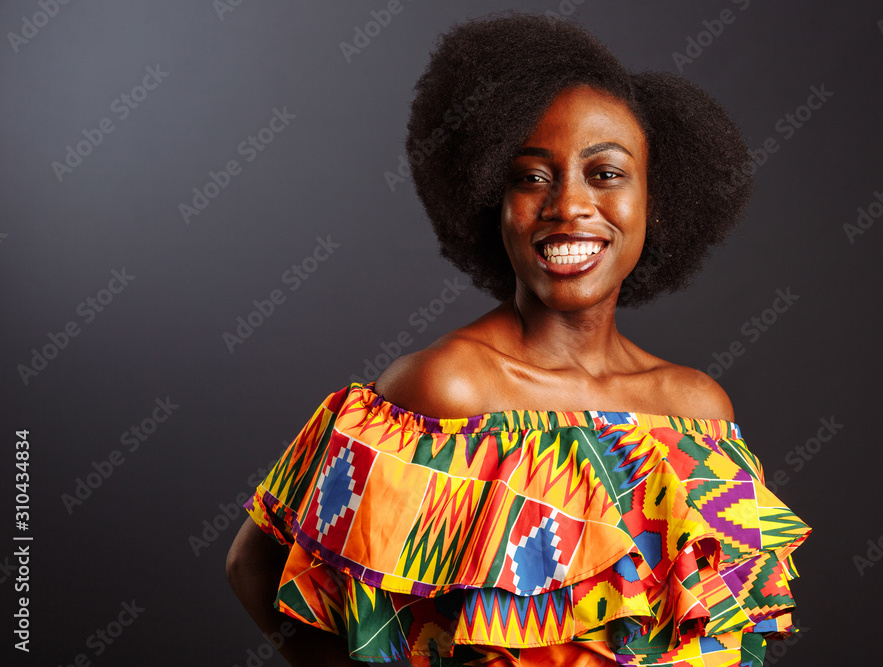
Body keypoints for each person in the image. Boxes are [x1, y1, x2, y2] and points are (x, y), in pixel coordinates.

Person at [227, 11, 810, 667]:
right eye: (532, 176)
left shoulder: (699, 413)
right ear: (489, 200)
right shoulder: (447, 388)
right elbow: (254, 562)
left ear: (659, 199)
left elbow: (724, 634)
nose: (568, 205)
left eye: (607, 173)